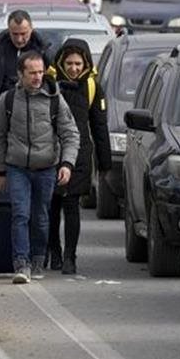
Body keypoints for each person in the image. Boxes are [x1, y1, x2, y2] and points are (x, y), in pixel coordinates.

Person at [0, 52, 80, 283]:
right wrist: (0, 171)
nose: (37, 77)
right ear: (21, 74)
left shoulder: (54, 99)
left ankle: (38, 258)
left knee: (40, 217)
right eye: (32, 73)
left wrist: (67, 164)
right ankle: (22, 263)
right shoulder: (7, 100)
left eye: (41, 72)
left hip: (46, 168)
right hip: (17, 168)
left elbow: (70, 133)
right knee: (20, 214)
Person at [45, 39, 112, 274]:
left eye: (78, 63)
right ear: (61, 62)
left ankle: (69, 256)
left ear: (86, 64)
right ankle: (52, 249)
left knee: (71, 205)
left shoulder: (93, 86)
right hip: (50, 153)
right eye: (69, 63)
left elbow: (99, 127)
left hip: (80, 155)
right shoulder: (49, 83)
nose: (73, 68)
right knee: (52, 205)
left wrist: (105, 164)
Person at [0, 10, 48, 160]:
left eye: (24, 34)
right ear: (8, 30)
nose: (19, 39)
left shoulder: (43, 52)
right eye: (15, 34)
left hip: (31, 123)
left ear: (31, 29)